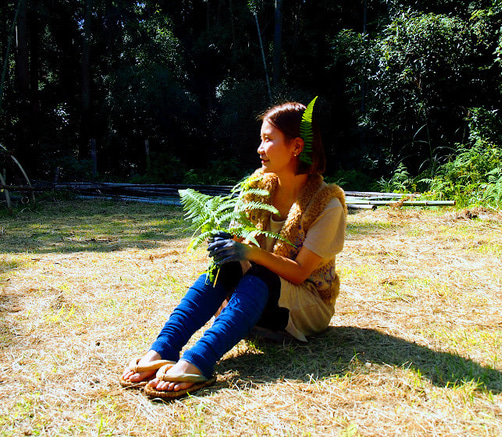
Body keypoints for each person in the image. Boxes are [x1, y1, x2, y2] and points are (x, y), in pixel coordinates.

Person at [119, 100, 347, 399]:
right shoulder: (257, 187)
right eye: (261, 140)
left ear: (296, 146)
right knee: (225, 265)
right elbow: (242, 243)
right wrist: (228, 243)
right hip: (257, 298)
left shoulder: (326, 204)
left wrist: (250, 254)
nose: (259, 148)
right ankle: (161, 350)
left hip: (306, 304)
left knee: (260, 274)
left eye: (268, 140)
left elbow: (301, 271)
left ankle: (198, 362)